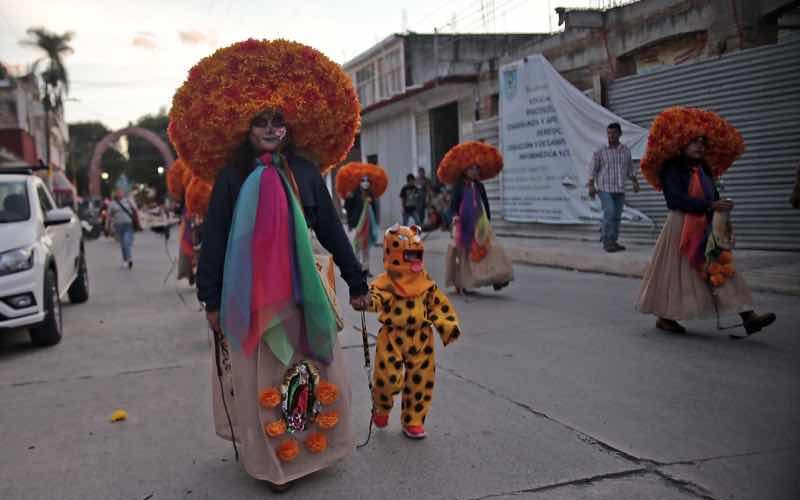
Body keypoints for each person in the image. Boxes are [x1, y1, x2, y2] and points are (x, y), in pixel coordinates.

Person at [173, 39, 369, 492]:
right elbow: (216, 240)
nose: (270, 128)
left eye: (278, 120)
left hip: (303, 296)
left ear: (291, 126)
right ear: (243, 126)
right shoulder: (231, 178)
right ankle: (273, 463)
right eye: (260, 120)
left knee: (309, 374)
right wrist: (211, 299)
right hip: (250, 301)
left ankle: (313, 449)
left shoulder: (305, 172)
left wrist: (357, 280)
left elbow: (333, 231)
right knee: (263, 379)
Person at [636, 107, 775, 337]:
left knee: (722, 269)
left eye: (702, 141)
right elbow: (675, 199)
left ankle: (748, 316)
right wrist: (710, 206)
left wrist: (722, 213)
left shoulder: (705, 169)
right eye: (693, 141)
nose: (699, 146)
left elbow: (712, 197)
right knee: (678, 276)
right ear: (680, 142)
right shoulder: (672, 168)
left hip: (707, 226)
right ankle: (665, 316)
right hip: (680, 227)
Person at [366, 224, 462, 439]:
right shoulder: (386, 282)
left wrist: (446, 325)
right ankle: (382, 407)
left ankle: (414, 420)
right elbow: (376, 299)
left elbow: (438, 304)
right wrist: (366, 300)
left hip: (421, 336)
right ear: (396, 254)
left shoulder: (425, 282)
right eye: (409, 255)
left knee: (420, 380)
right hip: (392, 336)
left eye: (418, 254)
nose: (415, 260)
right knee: (387, 379)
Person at [439, 141, 514, 295]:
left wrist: (488, 222)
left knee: (490, 251)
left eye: (476, 168)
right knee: (467, 256)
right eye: (472, 168)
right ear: (465, 170)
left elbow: (485, 204)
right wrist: (454, 217)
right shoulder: (458, 186)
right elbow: (453, 206)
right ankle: (464, 282)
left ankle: (497, 279)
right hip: (464, 226)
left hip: (480, 225)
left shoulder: (479, 186)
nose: (475, 171)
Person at [587, 122, 640, 253]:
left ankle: (613, 241)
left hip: (619, 189)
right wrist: (591, 186)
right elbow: (592, 169)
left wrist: (635, 182)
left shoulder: (625, 151)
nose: (611, 136)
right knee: (609, 212)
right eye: (609, 133)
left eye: (614, 133)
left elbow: (629, 169)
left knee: (616, 216)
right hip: (604, 188)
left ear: (620, 134)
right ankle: (607, 241)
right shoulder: (601, 151)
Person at [337, 162, 388, 277]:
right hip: (356, 224)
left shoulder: (371, 195)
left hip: (368, 225)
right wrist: (350, 223)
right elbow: (348, 207)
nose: (365, 183)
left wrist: (376, 223)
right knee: (356, 246)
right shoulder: (353, 194)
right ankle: (356, 268)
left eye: (367, 181)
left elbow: (374, 210)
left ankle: (365, 269)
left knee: (366, 247)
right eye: (363, 181)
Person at [106, 186, 138, 269]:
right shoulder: (112, 203)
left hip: (128, 224)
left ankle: (129, 259)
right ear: (115, 193)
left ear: (123, 193)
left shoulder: (128, 201)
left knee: (126, 242)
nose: (119, 193)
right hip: (118, 226)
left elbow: (135, 209)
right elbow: (109, 215)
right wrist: (107, 226)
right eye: (118, 192)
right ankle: (125, 260)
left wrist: (132, 205)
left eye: (121, 192)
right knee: (123, 244)